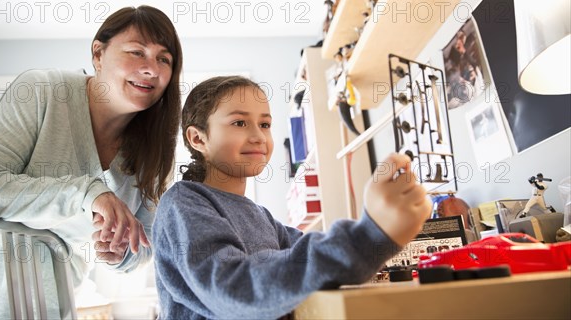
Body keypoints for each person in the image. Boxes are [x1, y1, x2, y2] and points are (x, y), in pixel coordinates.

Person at [153, 75, 431, 319]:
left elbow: (310, 262)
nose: (258, 136)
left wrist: (380, 238)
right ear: (198, 139)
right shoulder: (182, 202)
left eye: (265, 124)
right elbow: (234, 289)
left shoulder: (261, 217)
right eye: (239, 122)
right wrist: (370, 234)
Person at [0, 5, 184, 287]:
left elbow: (146, 242)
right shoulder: (40, 92)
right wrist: (86, 193)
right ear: (98, 54)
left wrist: (120, 253)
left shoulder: (156, 152)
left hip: (56, 303)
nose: (150, 69)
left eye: (164, 59)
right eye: (137, 52)